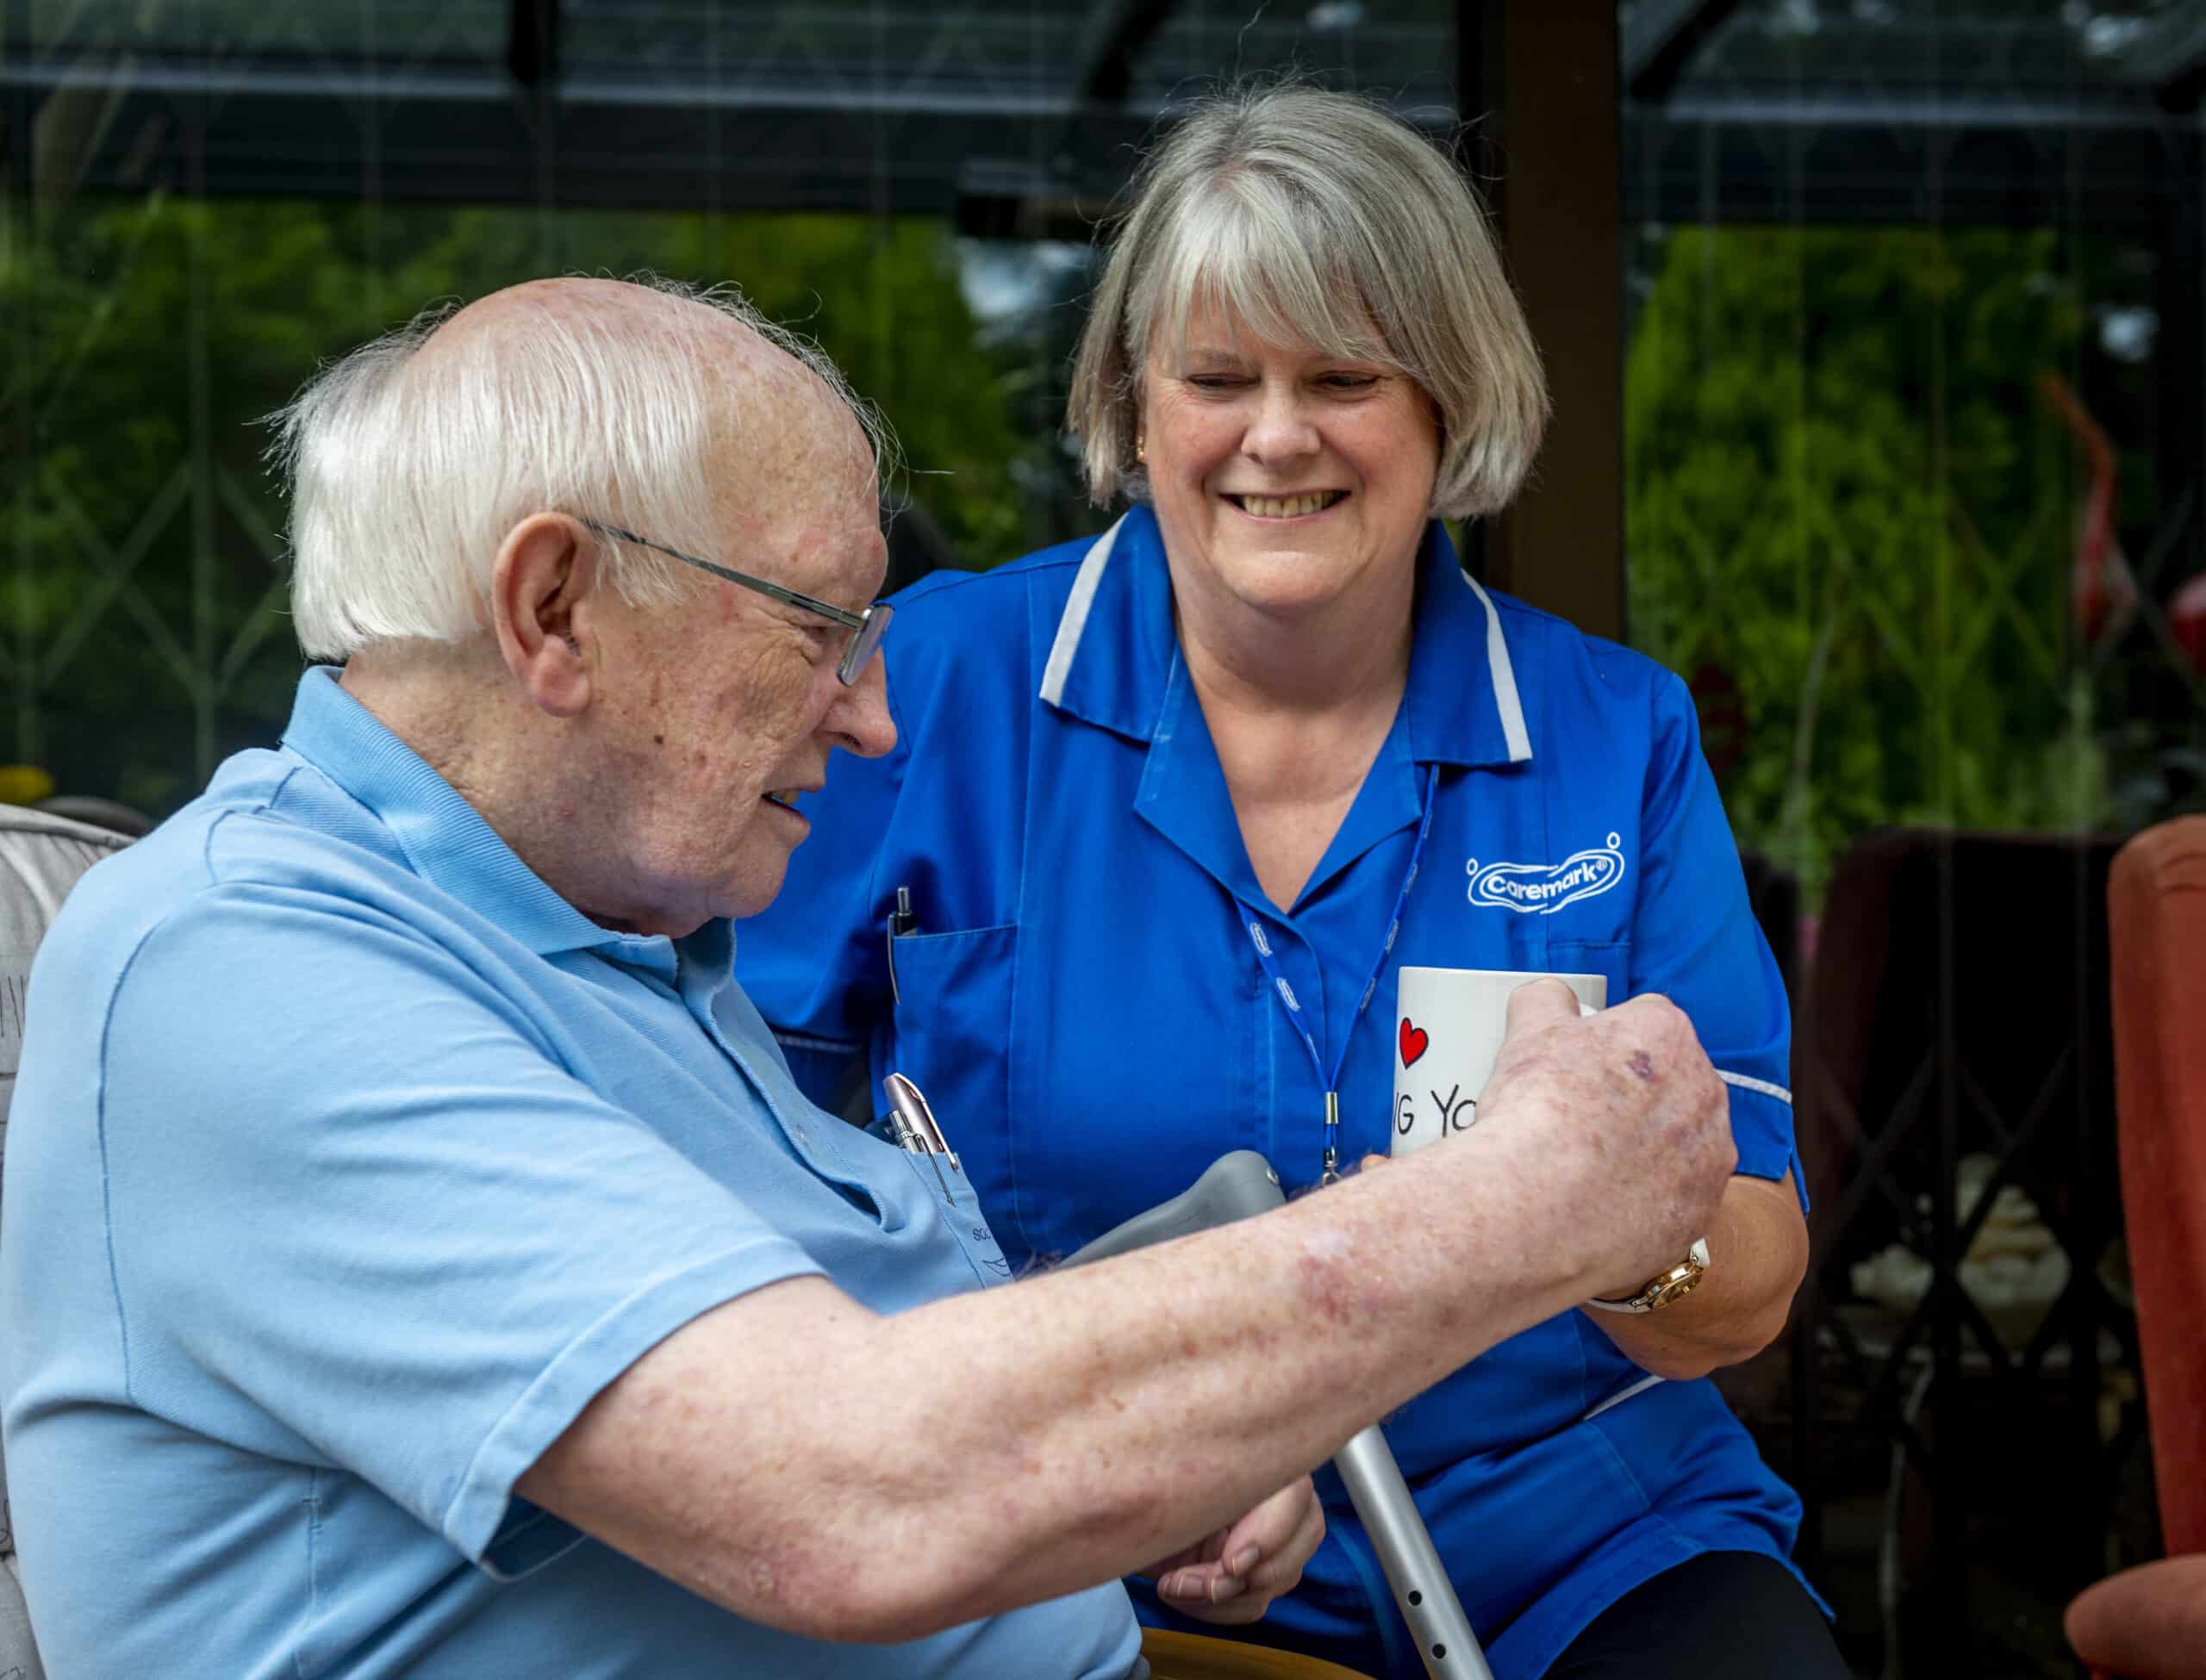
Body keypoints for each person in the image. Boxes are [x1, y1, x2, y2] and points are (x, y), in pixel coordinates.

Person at [0, 274, 1739, 1680]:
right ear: (552, 610)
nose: (876, 715)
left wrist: (1128, 1480)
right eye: (817, 626)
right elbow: (839, 1493)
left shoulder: (619, 945)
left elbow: (835, 1382)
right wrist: (1517, 1207)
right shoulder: (251, 971)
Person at [739, 85, 1848, 1680]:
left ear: (1449, 405)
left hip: (1574, 1541)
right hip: (1082, 1535)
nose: (1276, 435)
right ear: (1133, 404)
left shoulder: (1614, 737)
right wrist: (1118, 1424)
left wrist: (1606, 1223)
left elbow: (1751, 1271)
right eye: (1216, 378)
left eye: (1343, 377)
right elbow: (733, 1170)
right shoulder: (936, 690)